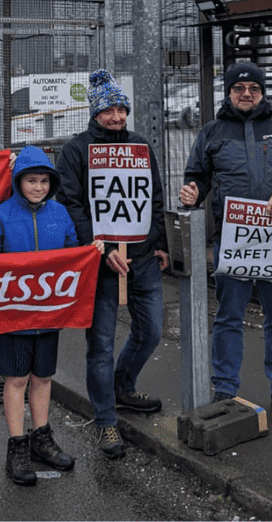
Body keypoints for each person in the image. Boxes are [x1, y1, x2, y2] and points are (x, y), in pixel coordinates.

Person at [180, 61, 272, 423]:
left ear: (262, 92)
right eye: (239, 88)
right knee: (229, 317)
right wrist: (192, 192)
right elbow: (197, 176)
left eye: (253, 89)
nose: (246, 94)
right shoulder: (212, 132)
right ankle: (225, 389)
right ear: (228, 92)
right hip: (233, 241)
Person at [0, 145, 104, 486]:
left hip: (47, 315)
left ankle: (41, 438)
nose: (38, 187)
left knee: (43, 378)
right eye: (31, 180)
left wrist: (91, 252)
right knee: (16, 380)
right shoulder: (0, 215)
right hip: (14, 316)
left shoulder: (60, 213)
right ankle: (17, 445)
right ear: (18, 181)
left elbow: (73, 254)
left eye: (44, 181)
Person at [55, 69, 169, 460]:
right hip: (100, 263)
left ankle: (123, 385)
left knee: (151, 331)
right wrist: (101, 249)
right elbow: (71, 205)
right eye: (109, 110)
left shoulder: (140, 146)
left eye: (122, 110)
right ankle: (105, 420)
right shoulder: (75, 151)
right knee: (100, 345)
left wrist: (159, 242)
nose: (117, 117)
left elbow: (154, 197)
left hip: (143, 259)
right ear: (95, 112)